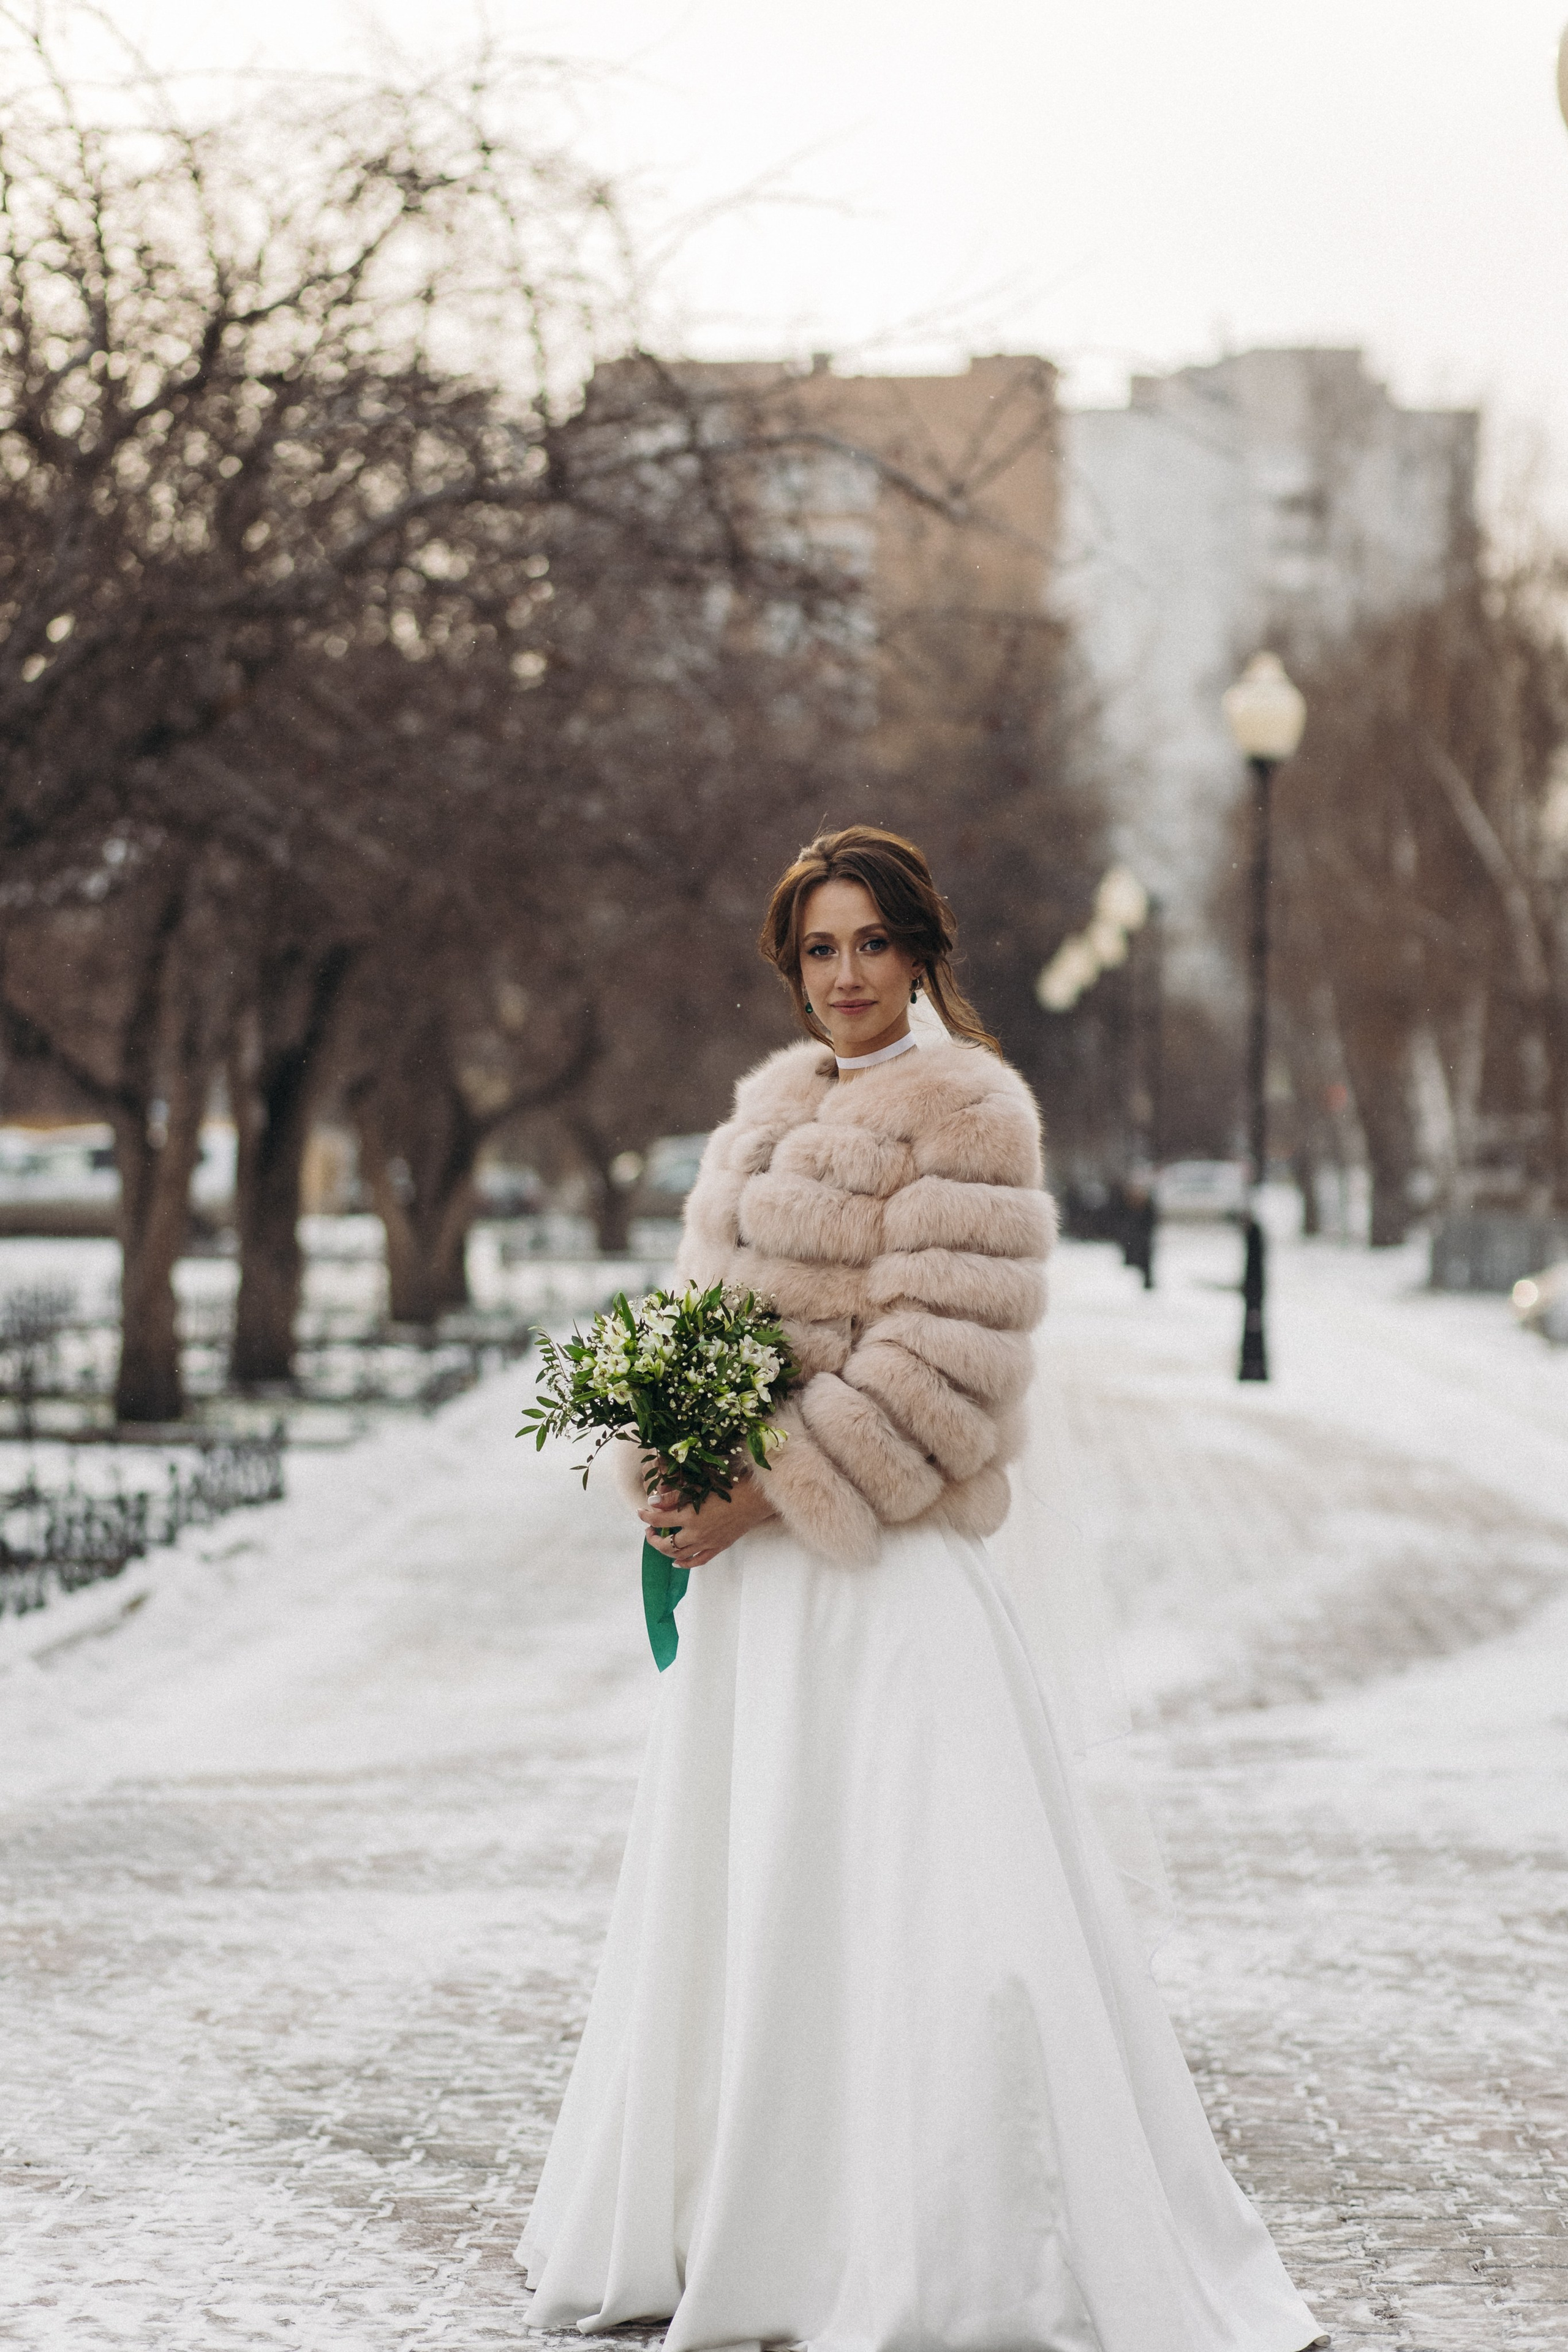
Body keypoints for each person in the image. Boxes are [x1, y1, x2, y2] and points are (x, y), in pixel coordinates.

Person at [517, 826, 1322, 2352]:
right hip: (753, 1604)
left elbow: (943, 1366)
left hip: (881, 1583)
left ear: (919, 952)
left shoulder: (970, 1115)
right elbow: (694, 1322)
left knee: (935, 1914)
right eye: (818, 949)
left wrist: (767, 1489)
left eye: (871, 944)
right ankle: (746, 2221)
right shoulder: (759, 1116)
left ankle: (940, 2245)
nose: (844, 976)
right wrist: (668, 1466)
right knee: (755, 1902)